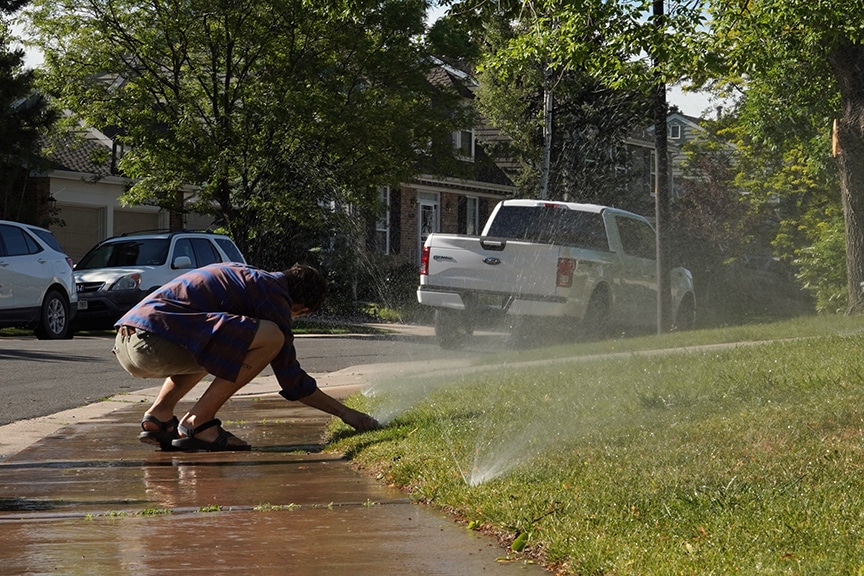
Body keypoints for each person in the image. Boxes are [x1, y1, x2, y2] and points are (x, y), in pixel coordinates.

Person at [113, 261, 380, 452]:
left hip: (127, 341)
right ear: (301, 307)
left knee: (222, 341)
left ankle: (158, 417)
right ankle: (199, 423)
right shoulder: (274, 298)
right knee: (271, 336)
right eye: (296, 316)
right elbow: (292, 381)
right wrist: (348, 414)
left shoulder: (246, 277)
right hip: (154, 344)